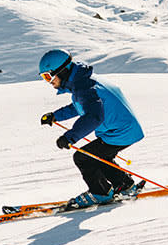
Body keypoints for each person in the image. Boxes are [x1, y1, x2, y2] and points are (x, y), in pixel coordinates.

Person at [37, 49, 145, 209]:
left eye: (48, 76)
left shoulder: (84, 87)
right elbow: (80, 106)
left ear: (62, 71)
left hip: (120, 132)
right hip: (123, 129)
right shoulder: (83, 82)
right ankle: (124, 186)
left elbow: (94, 116)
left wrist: (70, 137)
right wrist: (55, 116)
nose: (48, 82)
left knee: (83, 157)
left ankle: (100, 193)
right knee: (99, 156)